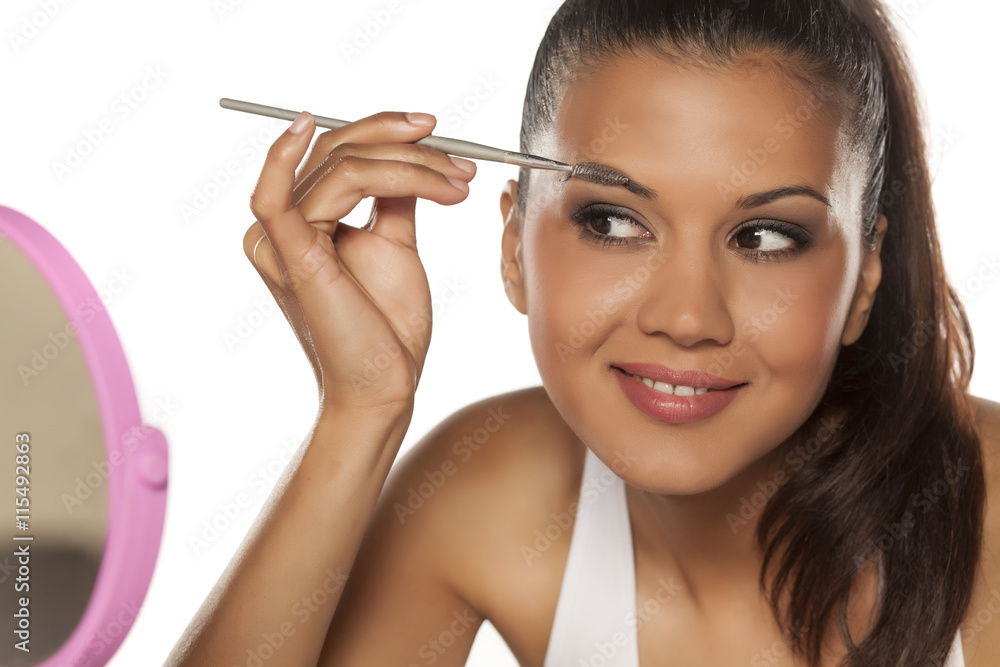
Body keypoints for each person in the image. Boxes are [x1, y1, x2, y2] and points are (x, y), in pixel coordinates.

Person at [167, 0, 1000, 665]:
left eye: (764, 237)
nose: (685, 318)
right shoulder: (494, 493)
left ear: (865, 279)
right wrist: (360, 409)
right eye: (612, 221)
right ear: (515, 248)